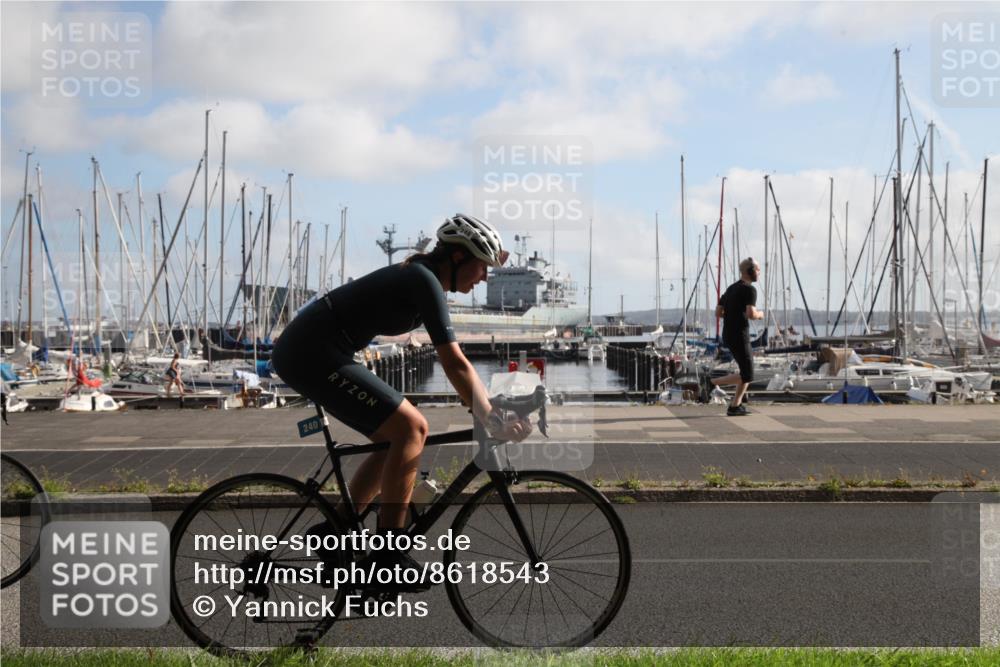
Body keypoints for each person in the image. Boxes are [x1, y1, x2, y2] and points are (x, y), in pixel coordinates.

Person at [271, 213, 533, 583]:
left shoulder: (425, 280)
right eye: (481, 267)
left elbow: (457, 367)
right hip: (310, 353)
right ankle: (388, 556)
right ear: (457, 258)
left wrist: (484, 405)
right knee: (411, 428)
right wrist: (489, 414)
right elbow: (454, 361)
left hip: (322, 351)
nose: (484, 277)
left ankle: (335, 532)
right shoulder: (422, 280)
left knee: (393, 438)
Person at [703, 257, 764, 416]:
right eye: (757, 269)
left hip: (728, 335)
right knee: (748, 374)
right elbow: (751, 314)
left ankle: (735, 406)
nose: (759, 272)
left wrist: (733, 314)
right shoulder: (749, 290)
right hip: (739, 335)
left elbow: (718, 312)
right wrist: (760, 315)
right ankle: (711, 383)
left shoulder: (731, 288)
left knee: (746, 373)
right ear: (750, 271)